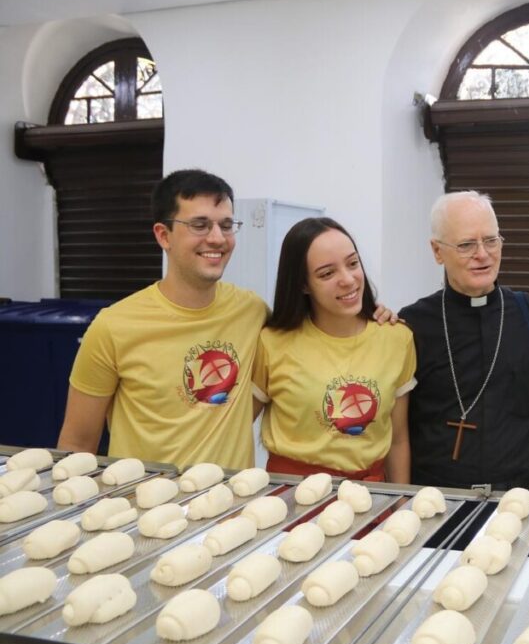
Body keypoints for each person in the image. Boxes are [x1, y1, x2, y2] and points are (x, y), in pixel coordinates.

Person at [57, 169, 267, 469]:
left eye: (226, 225)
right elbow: (77, 444)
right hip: (142, 509)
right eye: (200, 225)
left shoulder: (253, 312)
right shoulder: (113, 327)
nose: (217, 238)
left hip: (229, 509)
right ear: (163, 235)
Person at [399, 191, 529, 494]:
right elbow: (398, 428)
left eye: (491, 241)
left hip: (522, 499)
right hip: (439, 501)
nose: (482, 254)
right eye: (467, 244)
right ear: (437, 251)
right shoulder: (413, 324)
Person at [252, 217, 415, 481]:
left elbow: (398, 440)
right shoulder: (272, 342)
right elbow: (234, 428)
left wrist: (400, 505)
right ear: (303, 284)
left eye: (353, 264)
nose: (348, 280)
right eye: (327, 273)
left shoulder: (397, 339)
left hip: (371, 499)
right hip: (291, 497)